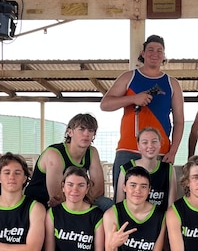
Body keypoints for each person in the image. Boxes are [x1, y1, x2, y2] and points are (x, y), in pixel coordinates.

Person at [100, 34, 184, 192]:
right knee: (123, 198)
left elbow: (179, 121)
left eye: (159, 50)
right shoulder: (129, 77)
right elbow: (105, 104)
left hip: (160, 150)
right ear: (143, 53)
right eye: (150, 49)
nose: (155, 53)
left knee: (158, 200)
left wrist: (173, 151)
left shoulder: (172, 84)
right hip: (128, 149)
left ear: (164, 55)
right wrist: (133, 98)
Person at [25, 113, 111, 210]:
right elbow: (57, 196)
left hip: (76, 199)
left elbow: (99, 190)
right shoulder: (54, 153)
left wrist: (82, 202)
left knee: (106, 203)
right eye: (81, 129)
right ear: (70, 132)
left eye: (90, 130)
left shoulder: (92, 152)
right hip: (40, 203)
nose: (86, 134)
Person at [115, 126, 177, 208]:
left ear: (160, 144)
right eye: (145, 142)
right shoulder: (126, 169)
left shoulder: (168, 169)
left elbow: (171, 207)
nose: (150, 146)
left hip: (160, 220)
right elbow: (119, 205)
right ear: (138, 146)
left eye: (154, 141)